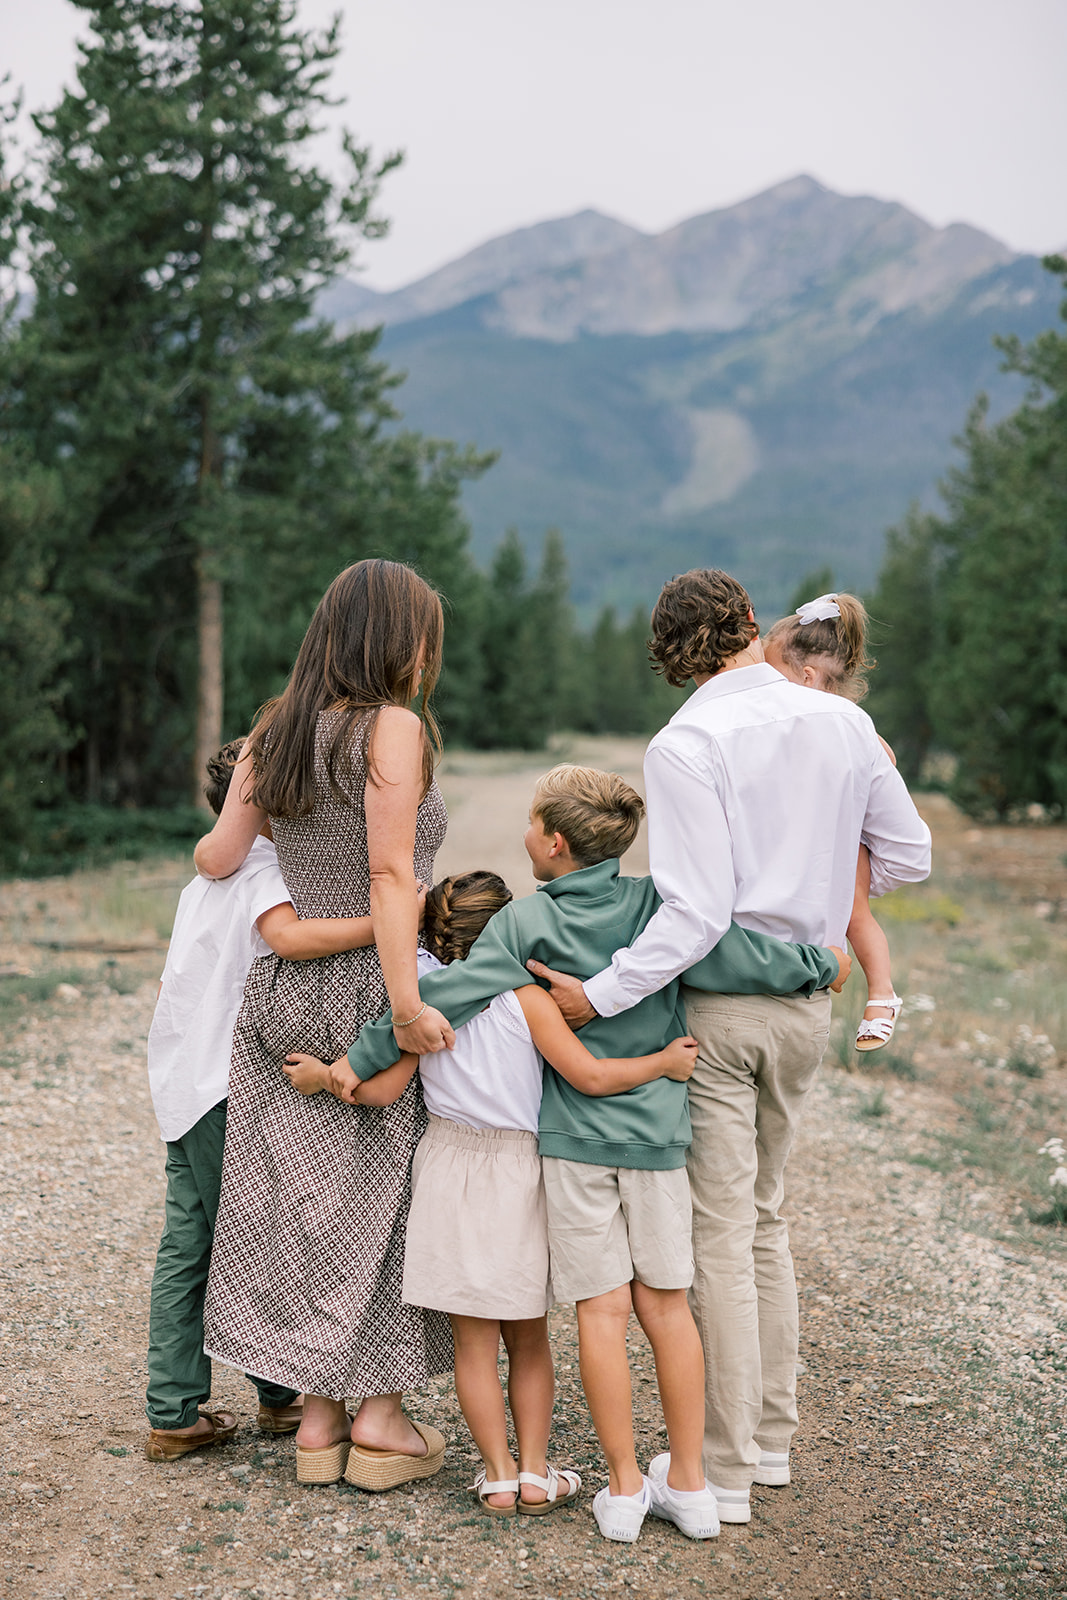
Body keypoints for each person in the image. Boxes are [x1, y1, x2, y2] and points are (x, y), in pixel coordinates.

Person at [343, 764, 849, 1537]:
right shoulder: (658, 908)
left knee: (600, 1312)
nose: (523, 837)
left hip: (575, 1145)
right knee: (668, 1307)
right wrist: (820, 965)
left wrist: (365, 1054)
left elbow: (447, 995)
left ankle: (618, 1491)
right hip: (656, 1140)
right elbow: (738, 954)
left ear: (551, 842)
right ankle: (689, 1484)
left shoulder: (524, 924)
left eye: (529, 825)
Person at [530, 571, 931, 1524]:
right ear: (753, 627)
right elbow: (907, 857)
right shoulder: (840, 725)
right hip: (806, 1008)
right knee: (765, 1217)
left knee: (718, 1232)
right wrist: (826, 900)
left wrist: (604, 991)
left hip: (718, 1010)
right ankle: (773, 1442)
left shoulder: (687, 741)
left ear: (672, 662)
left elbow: (697, 911)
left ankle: (725, 1466)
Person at [285, 866, 701, 1521]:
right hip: (521, 1170)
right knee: (529, 1340)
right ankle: (537, 1473)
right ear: (509, 928)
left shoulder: (421, 1004)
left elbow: (382, 1090)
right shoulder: (526, 999)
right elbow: (588, 1076)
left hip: (447, 1167)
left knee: (472, 1344)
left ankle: (497, 1476)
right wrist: (661, 1064)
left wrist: (321, 1079)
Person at [195, 559, 458, 1489]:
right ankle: (379, 1420)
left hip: (280, 988)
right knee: (385, 1194)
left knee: (302, 1200)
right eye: (425, 632)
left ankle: (317, 1422)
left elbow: (220, 855)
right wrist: (405, 1006)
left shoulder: (277, 727)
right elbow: (392, 878)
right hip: (362, 982)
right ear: (395, 638)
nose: (431, 651)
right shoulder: (393, 727)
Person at [144, 738, 381, 1462]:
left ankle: (180, 1405)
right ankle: (276, 1396)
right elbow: (290, 938)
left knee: (196, 1239)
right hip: (224, 1086)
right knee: (257, 1236)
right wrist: (390, 921)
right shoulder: (263, 868)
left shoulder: (206, 878)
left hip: (181, 1082)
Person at [763, 591, 902, 1051]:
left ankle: (882, 994)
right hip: (822, 836)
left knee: (855, 912)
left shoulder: (854, 727)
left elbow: (884, 767)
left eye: (774, 674)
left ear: (805, 677)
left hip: (847, 839)